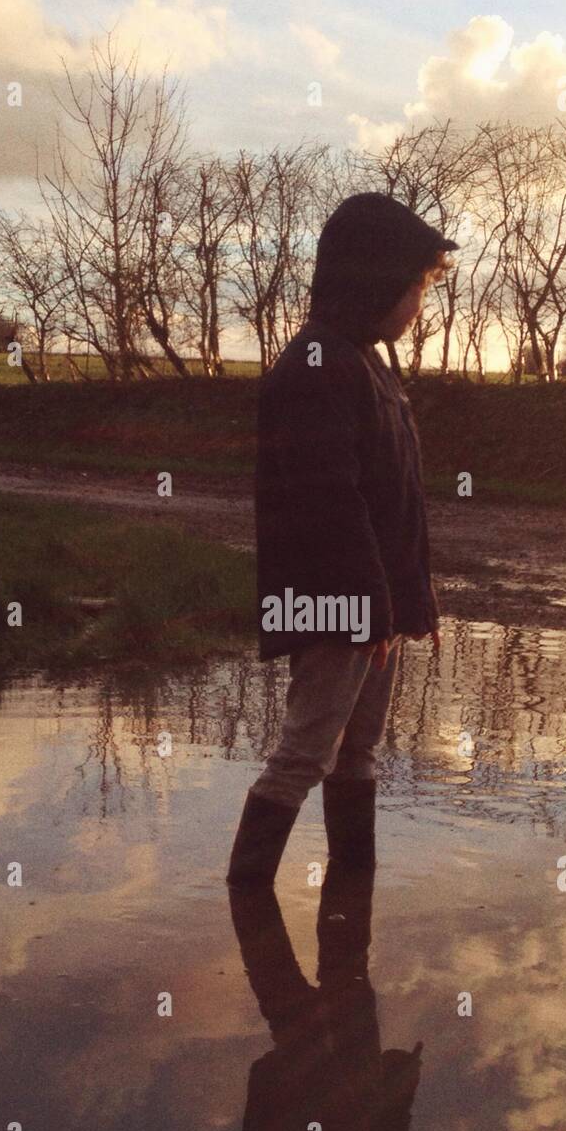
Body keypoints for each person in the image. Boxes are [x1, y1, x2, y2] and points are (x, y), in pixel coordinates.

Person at [226, 191, 457, 899]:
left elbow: (392, 501)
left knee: (358, 750)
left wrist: (408, 598)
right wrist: (370, 612)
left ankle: (352, 895)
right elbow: (330, 503)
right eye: (414, 288)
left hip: (370, 608)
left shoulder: (364, 362)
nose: (419, 304)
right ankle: (247, 899)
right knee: (305, 752)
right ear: (372, 280)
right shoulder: (317, 367)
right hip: (340, 606)